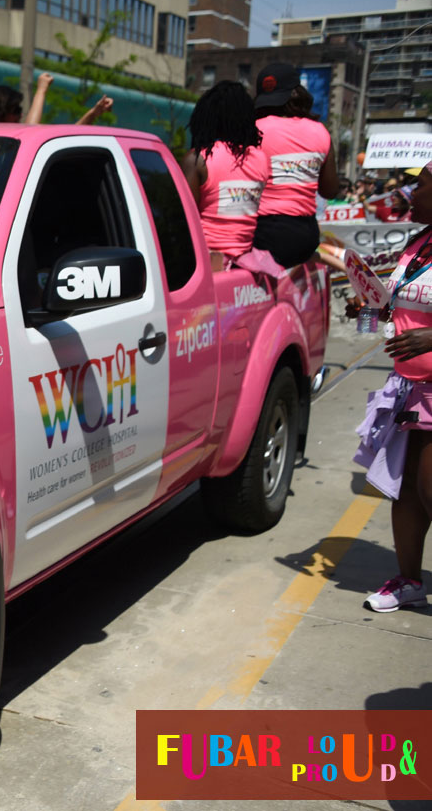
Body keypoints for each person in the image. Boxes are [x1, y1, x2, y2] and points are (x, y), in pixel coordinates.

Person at [354, 160, 432, 613]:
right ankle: (409, 580)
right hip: (408, 385)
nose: (409, 193)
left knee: (428, 487)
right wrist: (375, 307)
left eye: (419, 185)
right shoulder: (420, 242)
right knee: (403, 490)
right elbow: (406, 302)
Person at [251, 63, 343, 272]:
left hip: (264, 234)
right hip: (307, 236)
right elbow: (329, 190)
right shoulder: (320, 132)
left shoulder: (254, 131)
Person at [180, 81, 270, 271]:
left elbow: (183, 219)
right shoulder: (261, 159)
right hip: (245, 265)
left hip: (205, 265)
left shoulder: (198, 160)